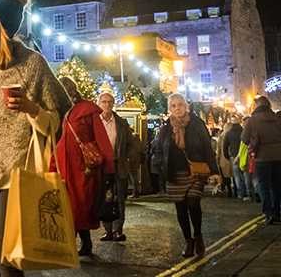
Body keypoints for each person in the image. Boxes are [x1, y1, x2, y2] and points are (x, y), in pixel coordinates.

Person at [0, 0, 71, 277]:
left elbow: (62, 114)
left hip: (18, 172)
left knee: (9, 261)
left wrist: (32, 109)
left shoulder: (31, 63)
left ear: (5, 25)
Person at [151, 93, 220, 258]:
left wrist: (215, 171)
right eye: (173, 106)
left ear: (186, 106)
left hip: (195, 172)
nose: (177, 108)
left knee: (193, 203)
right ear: (170, 109)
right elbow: (158, 150)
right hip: (174, 174)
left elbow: (207, 149)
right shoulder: (166, 128)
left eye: (180, 104)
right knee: (181, 209)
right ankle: (188, 241)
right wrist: (160, 169)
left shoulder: (197, 124)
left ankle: (198, 236)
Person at [55, 77, 114, 257]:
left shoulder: (87, 110)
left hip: (83, 169)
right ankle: (81, 244)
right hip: (64, 166)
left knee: (79, 206)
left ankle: (76, 245)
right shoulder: (60, 111)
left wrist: (109, 169)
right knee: (68, 207)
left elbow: (101, 138)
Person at [97, 89, 141, 242]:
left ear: (113, 104)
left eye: (110, 102)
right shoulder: (95, 123)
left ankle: (118, 230)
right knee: (104, 199)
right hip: (101, 167)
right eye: (104, 102)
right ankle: (107, 230)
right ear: (99, 104)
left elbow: (132, 144)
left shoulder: (121, 123)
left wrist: (128, 158)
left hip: (119, 165)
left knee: (119, 199)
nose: (107, 105)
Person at [241, 96, 281, 224]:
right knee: (277, 186)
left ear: (257, 106)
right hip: (279, 157)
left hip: (262, 157)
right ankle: (277, 212)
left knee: (264, 186)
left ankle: (268, 214)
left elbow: (244, 139)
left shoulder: (252, 121)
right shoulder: (277, 118)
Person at [224, 115, 251, 200]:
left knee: (237, 177)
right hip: (244, 156)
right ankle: (248, 193)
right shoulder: (244, 131)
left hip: (233, 157)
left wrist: (227, 156)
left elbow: (225, 146)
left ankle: (240, 194)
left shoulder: (228, 133)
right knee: (246, 175)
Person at [216, 122, 234, 198]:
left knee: (225, 176)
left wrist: (217, 157)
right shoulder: (233, 134)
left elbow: (219, 149)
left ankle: (228, 190)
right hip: (232, 158)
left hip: (224, 159)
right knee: (234, 176)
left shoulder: (222, 136)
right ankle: (236, 191)